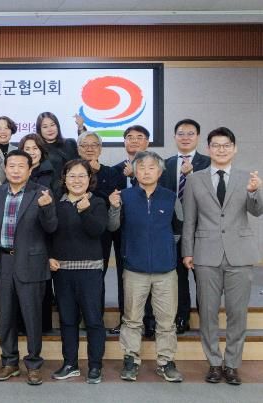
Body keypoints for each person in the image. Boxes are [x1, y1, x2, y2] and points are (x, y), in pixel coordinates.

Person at [182, 127, 263, 385]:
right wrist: (187, 251)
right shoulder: (195, 180)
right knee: (207, 313)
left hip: (239, 253)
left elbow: (257, 211)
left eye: (226, 145)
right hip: (206, 254)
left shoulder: (247, 178)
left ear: (234, 148)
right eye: (216, 145)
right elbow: (189, 220)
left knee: (238, 314)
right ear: (208, 149)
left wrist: (255, 191)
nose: (221, 149)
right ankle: (214, 363)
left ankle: (232, 365)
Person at [113, 151, 183, 383]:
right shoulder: (124, 196)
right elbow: (113, 227)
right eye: (141, 167)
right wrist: (113, 208)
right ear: (134, 171)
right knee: (132, 319)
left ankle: (166, 361)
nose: (146, 172)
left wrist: (164, 249)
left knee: (166, 321)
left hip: (165, 271)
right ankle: (131, 360)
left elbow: (178, 228)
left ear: (160, 172)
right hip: (134, 268)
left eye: (151, 167)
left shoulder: (171, 197)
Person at [0, 150, 57, 386]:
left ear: (30, 170)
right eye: (11, 166)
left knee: (32, 316)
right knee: (6, 316)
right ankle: (9, 362)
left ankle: (34, 364)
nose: (16, 170)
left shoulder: (42, 193)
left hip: (31, 263)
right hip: (4, 261)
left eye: (21, 166)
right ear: (5, 168)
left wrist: (47, 208)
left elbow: (51, 228)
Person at [49, 159, 115, 384]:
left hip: (90, 271)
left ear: (89, 179)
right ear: (64, 179)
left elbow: (97, 230)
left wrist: (85, 211)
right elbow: (49, 233)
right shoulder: (57, 203)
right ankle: (70, 364)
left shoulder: (96, 202)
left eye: (82, 176)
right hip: (62, 271)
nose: (77, 180)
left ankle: (95, 366)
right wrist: (49, 256)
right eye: (72, 176)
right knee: (67, 320)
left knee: (93, 319)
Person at [158, 119, 211, 334]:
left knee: (204, 280)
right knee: (178, 279)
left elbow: (211, 197)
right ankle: (182, 318)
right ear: (174, 137)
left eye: (190, 133)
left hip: (202, 231)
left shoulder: (208, 163)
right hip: (174, 231)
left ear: (198, 137)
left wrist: (191, 176)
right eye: (181, 133)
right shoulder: (166, 164)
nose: (185, 137)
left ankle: (207, 320)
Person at [108, 125, 151, 335]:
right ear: (124, 142)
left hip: (147, 232)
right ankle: (126, 320)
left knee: (150, 276)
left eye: (139, 137)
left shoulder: (156, 168)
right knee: (124, 277)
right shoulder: (115, 170)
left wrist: (135, 176)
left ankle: (149, 322)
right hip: (121, 232)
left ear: (147, 142)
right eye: (130, 137)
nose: (134, 140)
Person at [76, 131, 123, 317]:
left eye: (94, 145)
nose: (89, 148)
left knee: (97, 275)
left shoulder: (110, 172)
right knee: (78, 276)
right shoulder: (71, 171)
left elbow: (109, 199)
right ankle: (77, 316)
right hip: (75, 230)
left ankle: (96, 318)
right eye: (85, 145)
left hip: (101, 231)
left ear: (100, 149)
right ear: (78, 149)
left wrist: (94, 175)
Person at [18, 133, 56, 333]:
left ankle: (43, 327)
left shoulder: (51, 173)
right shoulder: (15, 173)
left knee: (42, 284)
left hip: (43, 235)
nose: (31, 152)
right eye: (27, 149)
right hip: (20, 237)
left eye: (35, 148)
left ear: (42, 151)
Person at [35, 112, 79, 195]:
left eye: (52, 125)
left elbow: (81, 165)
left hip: (73, 191)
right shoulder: (37, 149)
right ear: (39, 130)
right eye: (45, 127)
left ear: (57, 126)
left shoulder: (70, 143)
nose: (50, 129)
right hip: (47, 193)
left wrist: (81, 128)